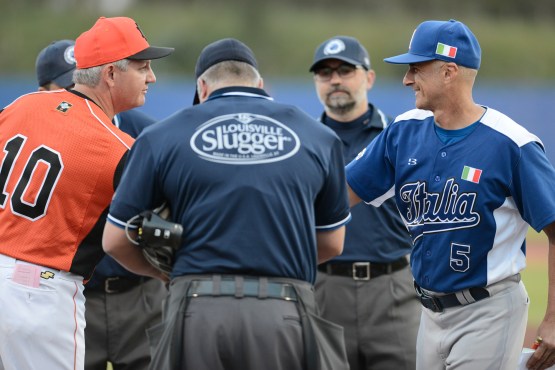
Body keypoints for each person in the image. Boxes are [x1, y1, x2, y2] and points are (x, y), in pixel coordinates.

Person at [102, 38, 352, 370]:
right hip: (284, 310)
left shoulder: (160, 136)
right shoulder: (319, 137)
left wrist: (165, 273)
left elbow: (115, 240)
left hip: (196, 307)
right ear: (260, 84)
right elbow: (333, 242)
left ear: (202, 87)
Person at [345, 19, 555, 370]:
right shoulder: (403, 132)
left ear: (448, 72)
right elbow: (339, 195)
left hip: (488, 310)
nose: (406, 79)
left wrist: (553, 318)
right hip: (428, 314)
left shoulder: (512, 144)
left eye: (416, 68)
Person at [0, 16, 173, 370]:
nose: (151, 77)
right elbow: (145, 231)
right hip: (42, 294)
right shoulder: (119, 146)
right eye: (142, 67)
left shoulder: (21, 106)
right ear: (110, 74)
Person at [309, 35, 420, 370]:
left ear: (369, 78)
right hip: (324, 288)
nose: (335, 80)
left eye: (345, 69)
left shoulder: (400, 136)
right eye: (324, 73)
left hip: (394, 290)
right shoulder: (304, 141)